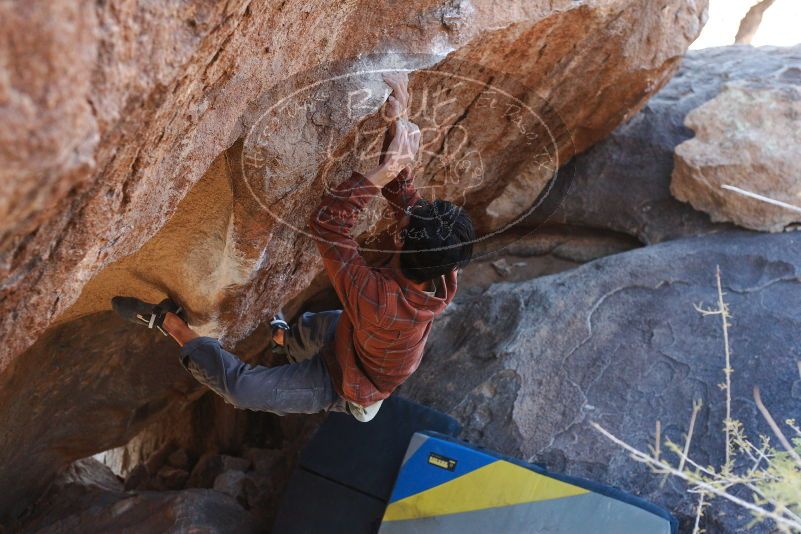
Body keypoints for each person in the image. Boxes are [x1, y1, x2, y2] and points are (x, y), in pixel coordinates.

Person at [111, 73, 475, 422]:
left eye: (409, 222)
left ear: (400, 240)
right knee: (301, 333)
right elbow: (405, 199)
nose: (410, 211)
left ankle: (169, 322)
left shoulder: (378, 301)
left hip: (342, 384)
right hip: (350, 332)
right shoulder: (441, 263)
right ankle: (281, 339)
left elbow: (330, 223)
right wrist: (401, 117)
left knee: (242, 389)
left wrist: (384, 172)